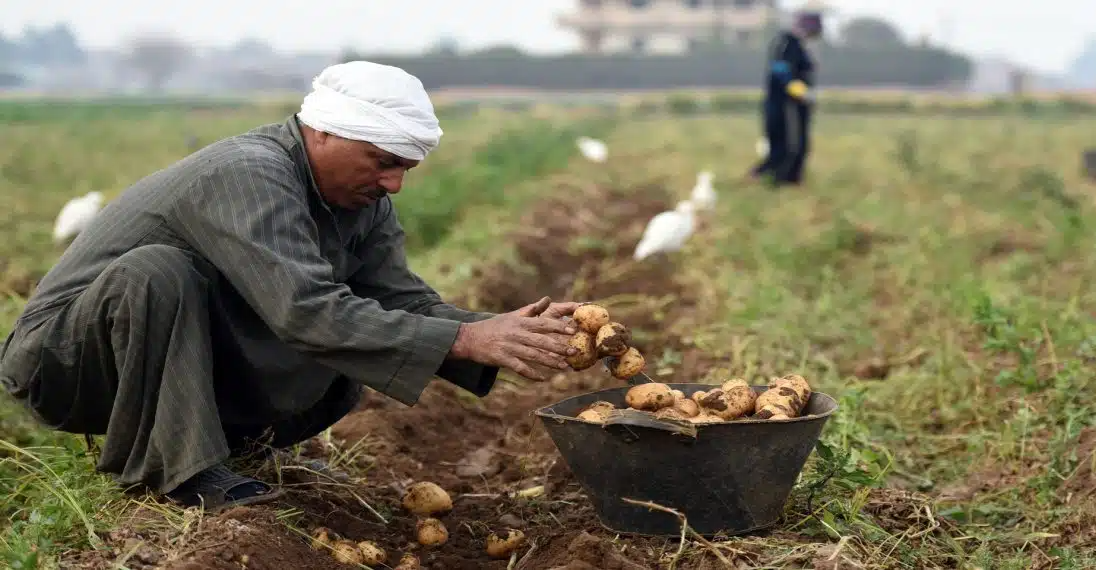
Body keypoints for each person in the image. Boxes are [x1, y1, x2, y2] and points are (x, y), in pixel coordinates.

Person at [0, 60, 584, 510]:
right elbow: (304, 311)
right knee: (162, 271)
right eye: (383, 162)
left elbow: (402, 300)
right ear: (324, 133)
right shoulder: (249, 173)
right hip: (64, 363)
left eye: (405, 168)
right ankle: (175, 473)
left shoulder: (360, 199)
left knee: (367, 329)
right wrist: (464, 342)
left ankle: (238, 448)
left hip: (149, 348)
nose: (395, 184)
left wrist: (505, 330)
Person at [749, 10, 824, 187]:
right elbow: (781, 71)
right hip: (783, 104)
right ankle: (773, 179)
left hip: (798, 105)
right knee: (785, 145)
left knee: (798, 146)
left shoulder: (802, 46)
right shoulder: (786, 43)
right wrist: (800, 91)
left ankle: (791, 180)